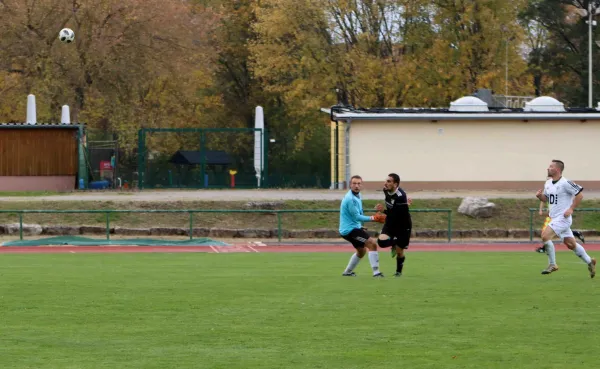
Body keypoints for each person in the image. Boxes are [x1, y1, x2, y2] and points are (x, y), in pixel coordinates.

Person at [535, 160, 596, 277]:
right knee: (571, 244)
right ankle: (590, 261)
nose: (548, 168)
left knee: (545, 236)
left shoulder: (565, 183)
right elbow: (547, 199)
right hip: (554, 218)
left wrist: (571, 208)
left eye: (551, 167)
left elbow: (580, 195)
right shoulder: (548, 183)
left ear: (557, 170)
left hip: (563, 218)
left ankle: (552, 264)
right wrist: (540, 197)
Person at [340, 175, 386, 277]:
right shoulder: (350, 199)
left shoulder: (358, 195)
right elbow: (356, 216)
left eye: (359, 183)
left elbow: (355, 215)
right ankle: (376, 272)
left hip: (352, 228)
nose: (356, 186)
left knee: (361, 251)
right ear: (350, 185)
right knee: (372, 243)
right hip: (349, 230)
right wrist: (374, 218)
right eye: (354, 183)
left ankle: (347, 272)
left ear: (361, 185)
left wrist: (359, 226)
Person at [375, 173, 413, 277]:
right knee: (381, 242)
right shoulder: (386, 190)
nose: (385, 183)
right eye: (386, 180)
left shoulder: (401, 197)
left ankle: (398, 272)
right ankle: (394, 243)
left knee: (400, 252)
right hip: (391, 222)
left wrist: (383, 210)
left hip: (403, 225)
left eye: (389, 181)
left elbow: (396, 215)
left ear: (395, 184)